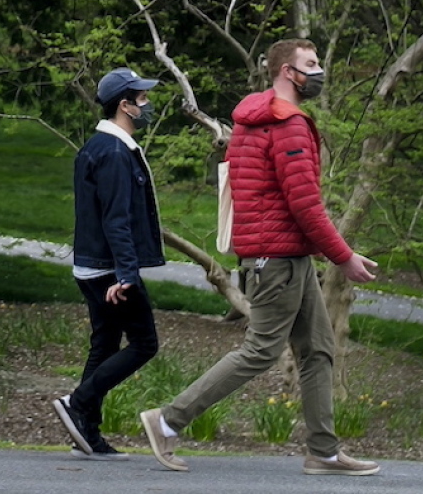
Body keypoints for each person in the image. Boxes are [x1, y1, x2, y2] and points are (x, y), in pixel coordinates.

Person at [139, 38, 381, 476]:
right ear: (287, 72)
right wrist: (344, 257)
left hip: (287, 256)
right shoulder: (286, 124)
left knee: (318, 349)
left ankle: (323, 452)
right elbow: (305, 204)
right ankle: (168, 421)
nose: (320, 71)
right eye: (311, 63)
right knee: (261, 351)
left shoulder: (253, 121)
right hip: (277, 258)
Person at [53, 66, 166, 460]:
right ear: (125, 105)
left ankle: (86, 433)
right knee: (144, 344)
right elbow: (116, 219)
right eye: (143, 98)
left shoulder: (97, 146)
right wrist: (127, 275)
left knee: (104, 346)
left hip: (92, 266)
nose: (148, 104)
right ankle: (78, 402)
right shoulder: (116, 153)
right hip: (108, 271)